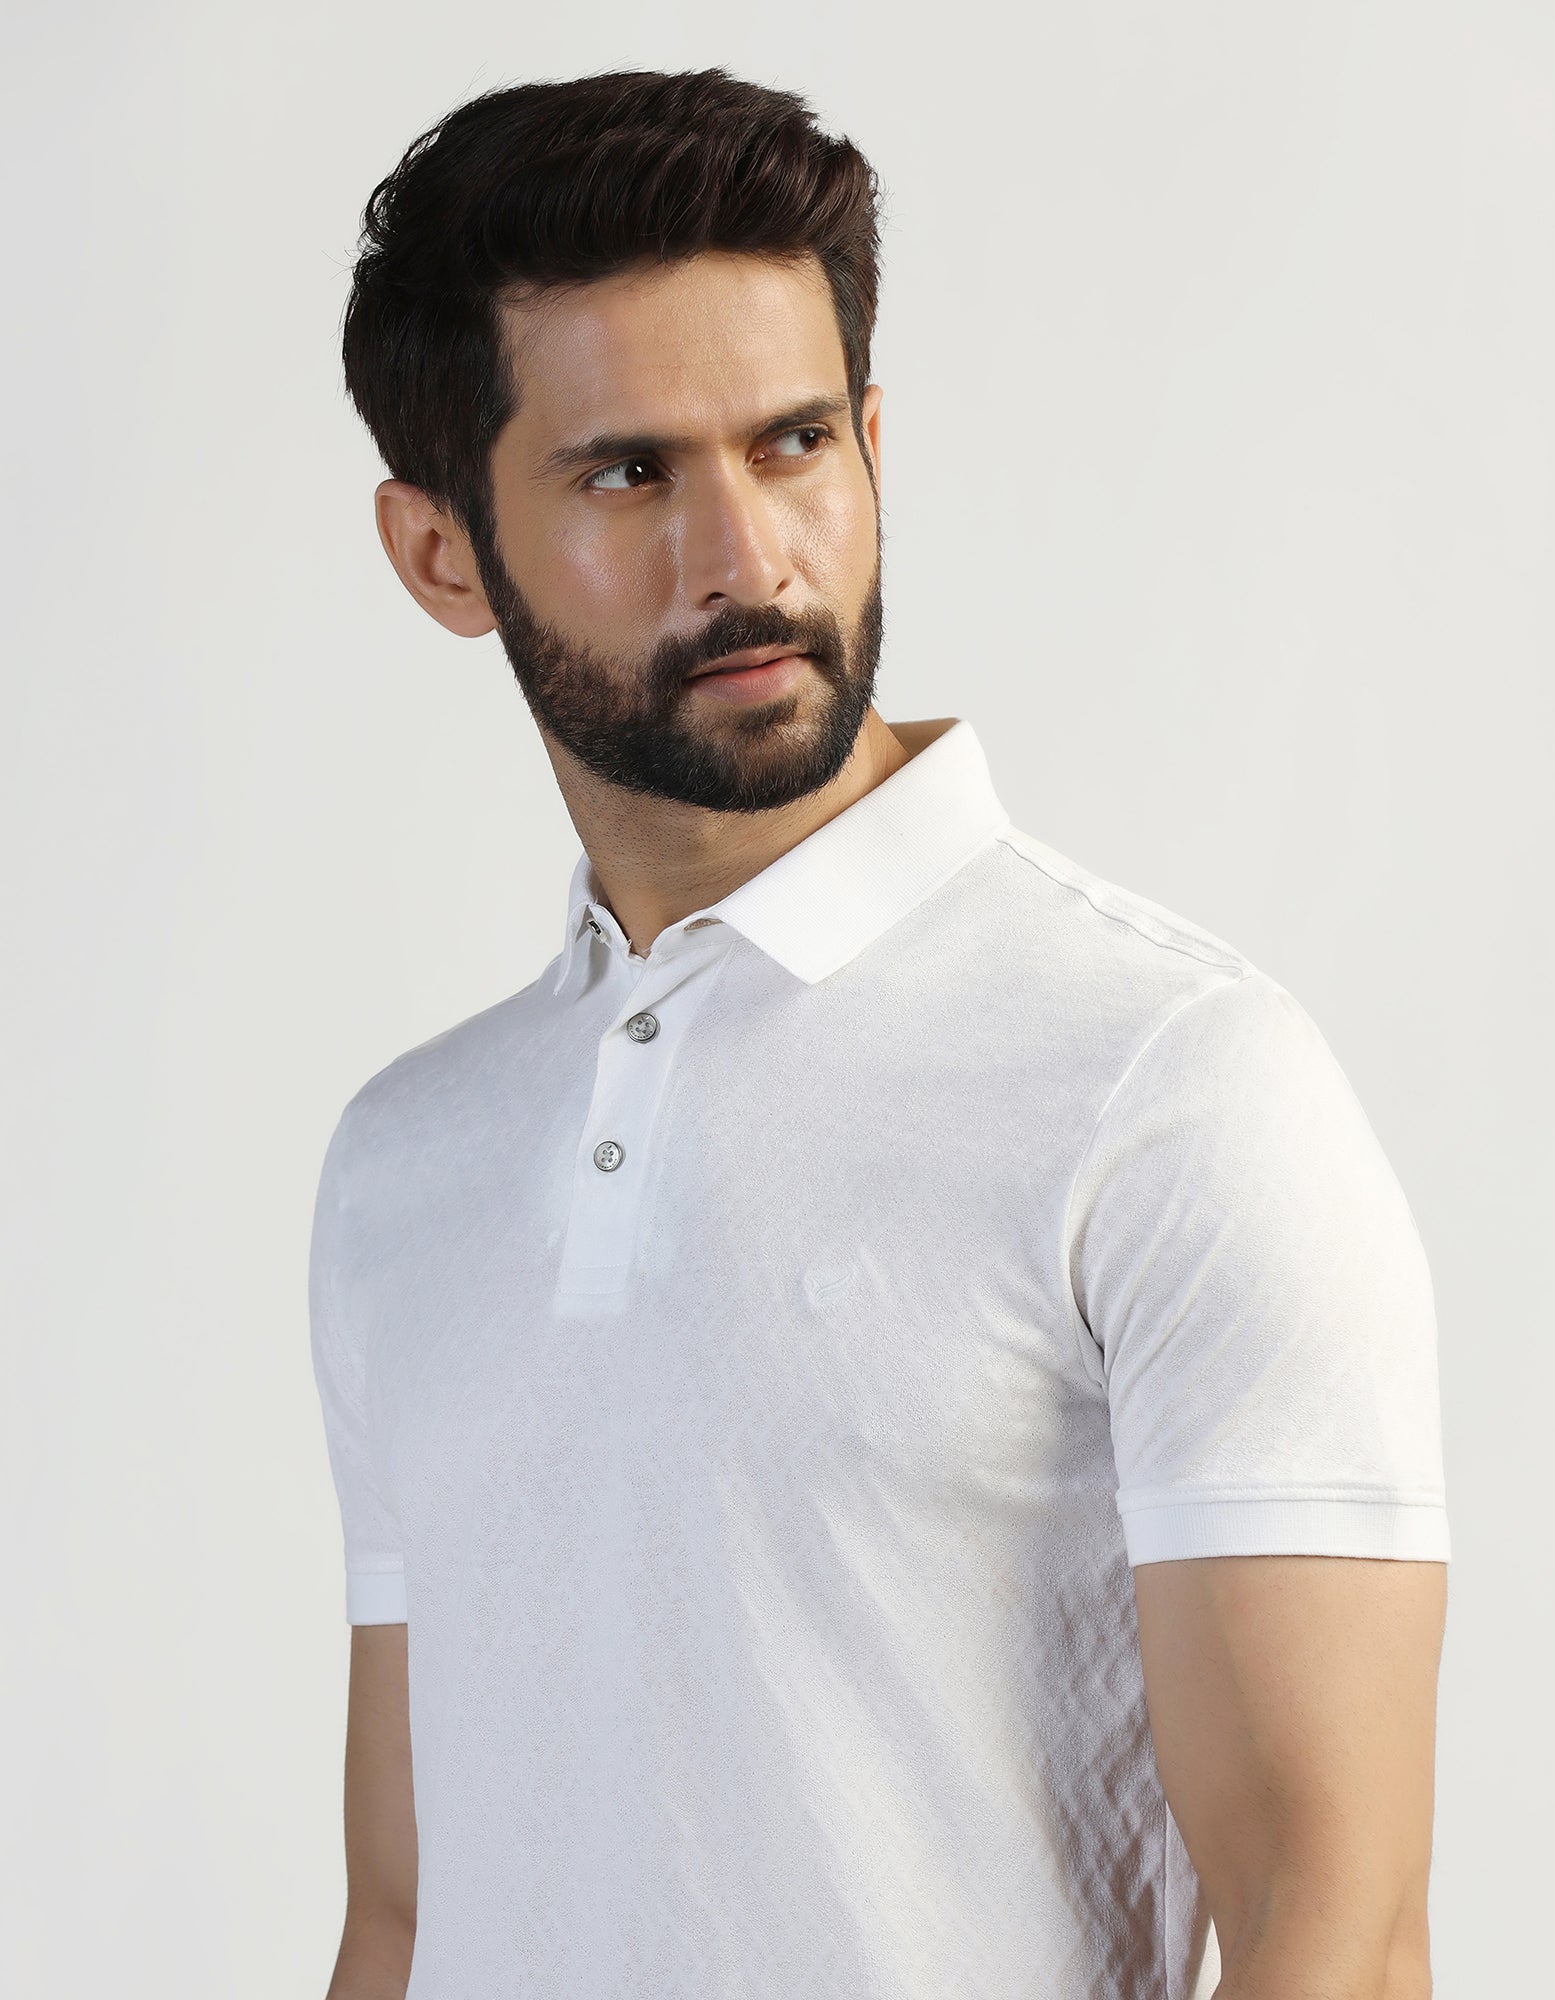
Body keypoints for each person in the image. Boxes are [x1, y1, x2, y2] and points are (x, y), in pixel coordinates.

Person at [309, 67, 1450, 2000]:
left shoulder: (1170, 1084)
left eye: (794, 442)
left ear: (871, 445)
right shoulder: (405, 1162)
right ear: (441, 555)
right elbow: (409, 1918)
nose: (746, 556)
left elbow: (1332, 1921)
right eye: (628, 475)